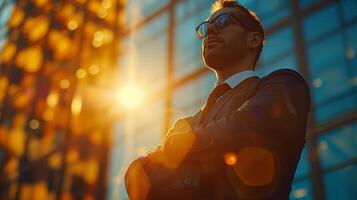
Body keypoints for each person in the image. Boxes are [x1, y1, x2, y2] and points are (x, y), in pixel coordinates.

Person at [125, 0, 310, 199]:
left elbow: (250, 126)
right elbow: (138, 175)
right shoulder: (186, 124)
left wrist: (183, 153)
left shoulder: (284, 85)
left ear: (253, 40)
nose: (211, 31)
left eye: (223, 21)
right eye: (206, 27)